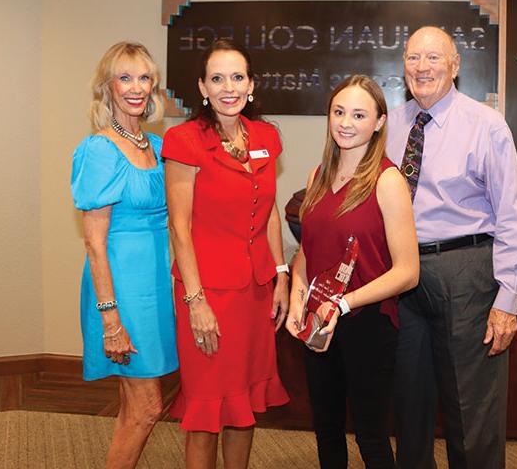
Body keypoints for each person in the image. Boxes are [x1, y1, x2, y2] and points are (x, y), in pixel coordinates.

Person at [388, 26, 517, 469]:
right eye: (414, 58)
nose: (422, 67)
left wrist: (508, 301)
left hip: (464, 271)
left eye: (434, 58)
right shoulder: (391, 124)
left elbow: (510, 214)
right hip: (402, 274)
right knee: (409, 403)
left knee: (471, 408)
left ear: (455, 65)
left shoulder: (485, 125)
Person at [163, 39, 289, 469]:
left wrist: (281, 276)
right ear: (202, 87)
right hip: (208, 292)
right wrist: (195, 301)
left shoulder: (266, 137)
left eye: (237, 77)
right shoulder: (184, 140)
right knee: (205, 410)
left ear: (252, 85)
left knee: (244, 405)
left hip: (254, 292)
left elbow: (270, 211)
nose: (228, 87)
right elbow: (179, 227)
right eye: (217, 78)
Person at [287, 75, 419, 469]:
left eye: (359, 114)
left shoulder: (388, 180)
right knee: (326, 431)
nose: (346, 122)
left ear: (379, 122)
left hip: (366, 322)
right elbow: (307, 252)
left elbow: (408, 272)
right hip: (318, 321)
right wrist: (297, 297)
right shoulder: (317, 176)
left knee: (371, 436)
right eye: (339, 112)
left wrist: (341, 305)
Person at [71, 41, 178, 469]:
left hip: (153, 285)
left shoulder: (155, 143)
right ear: (107, 87)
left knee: (133, 407)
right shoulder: (99, 149)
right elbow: (94, 242)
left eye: (144, 77)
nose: (136, 87)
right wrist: (110, 319)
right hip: (119, 291)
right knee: (149, 407)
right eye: (125, 77)